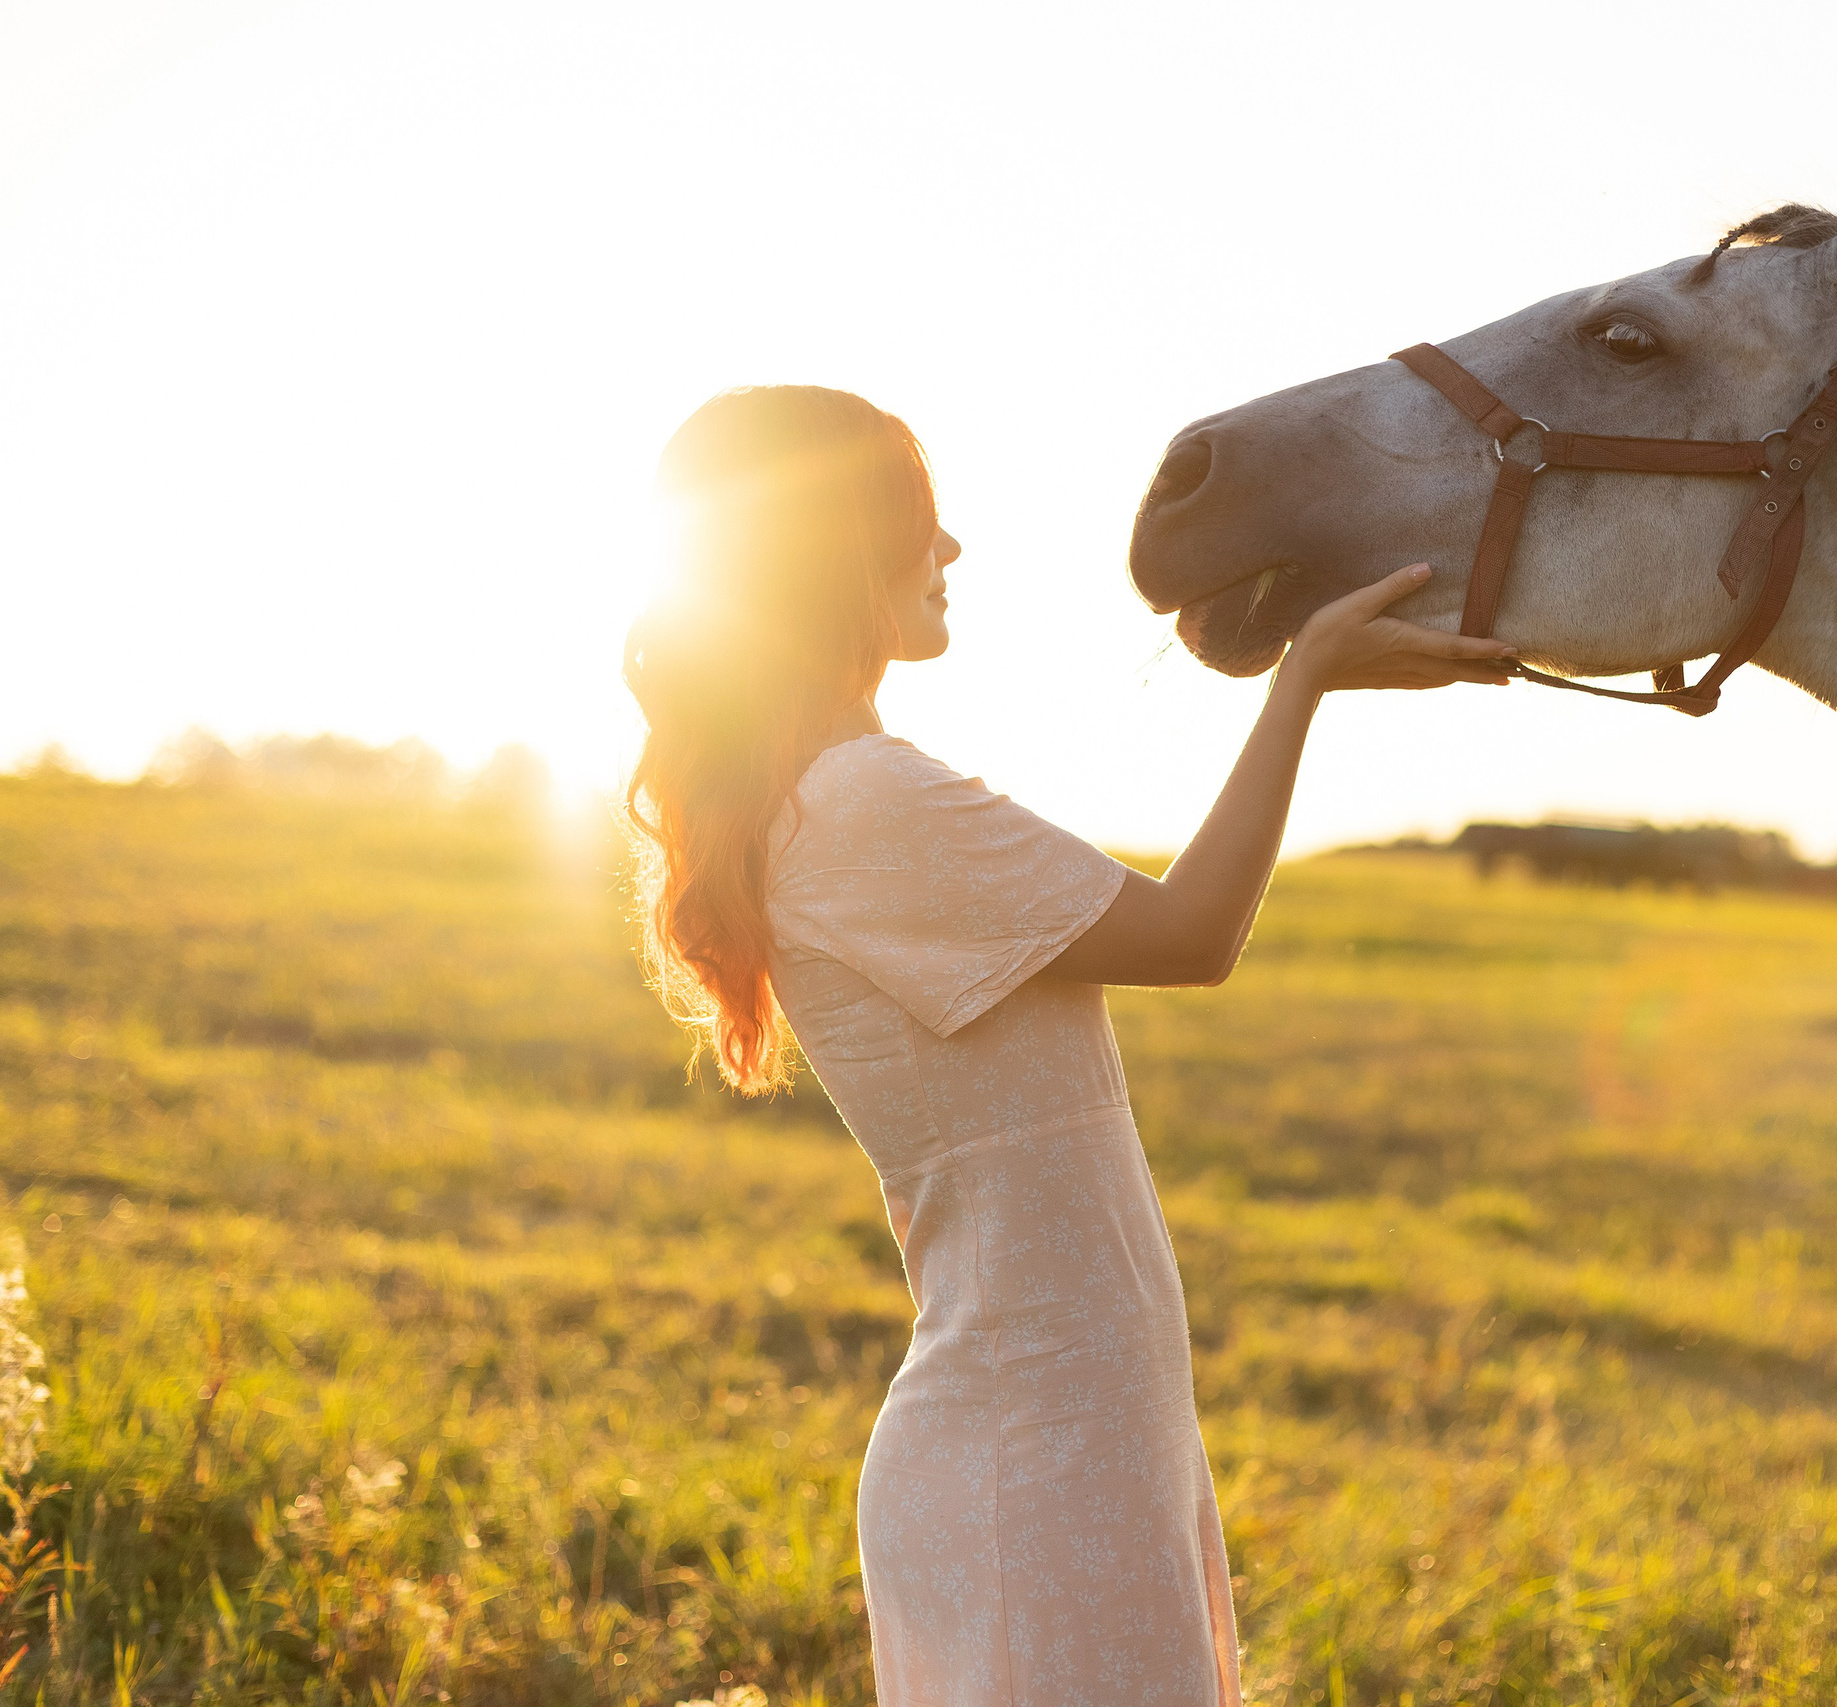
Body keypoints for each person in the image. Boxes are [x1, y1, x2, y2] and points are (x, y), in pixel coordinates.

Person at [621, 384, 1512, 1703]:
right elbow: (1193, 933)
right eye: (919, 521)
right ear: (828, 555)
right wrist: (1304, 680)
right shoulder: (864, 802)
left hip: (1065, 1433)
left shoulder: (838, 796)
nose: (954, 551)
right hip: (1034, 1454)